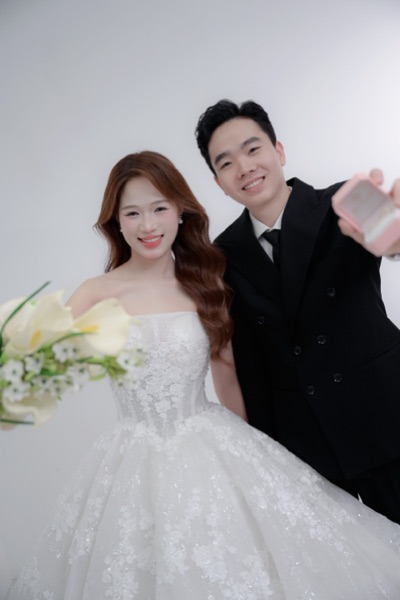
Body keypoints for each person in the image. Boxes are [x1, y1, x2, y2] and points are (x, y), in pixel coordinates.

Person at [10, 151, 400, 600]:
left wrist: (260, 459)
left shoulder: (206, 284)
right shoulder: (96, 292)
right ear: (116, 221)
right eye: (132, 213)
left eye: (159, 208)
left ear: (180, 211)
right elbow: (38, 359)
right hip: (130, 453)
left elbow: (227, 380)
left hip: (209, 440)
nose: (147, 225)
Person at [195, 98, 400, 526]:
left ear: (279, 151)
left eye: (253, 149)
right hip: (304, 449)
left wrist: (393, 238)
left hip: (384, 416)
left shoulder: (346, 199)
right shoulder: (219, 258)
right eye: (226, 163)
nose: (244, 167)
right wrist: (256, 454)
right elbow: (240, 363)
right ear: (218, 182)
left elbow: (393, 235)